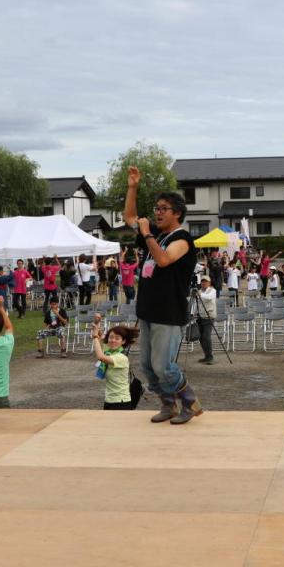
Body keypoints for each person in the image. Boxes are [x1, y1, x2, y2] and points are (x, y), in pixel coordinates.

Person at [123, 165, 204, 424]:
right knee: (148, 367)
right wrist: (133, 187)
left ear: (177, 213)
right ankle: (168, 405)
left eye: (163, 209)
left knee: (163, 366)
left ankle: (190, 403)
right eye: (156, 208)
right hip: (148, 309)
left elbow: (164, 260)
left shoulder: (182, 239)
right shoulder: (157, 235)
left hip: (168, 313)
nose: (157, 213)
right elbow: (129, 217)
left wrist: (146, 233)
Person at [93, 321, 141, 410]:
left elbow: (100, 356)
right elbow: (103, 341)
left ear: (123, 341)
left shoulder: (121, 358)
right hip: (109, 400)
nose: (113, 340)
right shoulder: (110, 352)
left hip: (121, 402)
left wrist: (95, 336)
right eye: (111, 337)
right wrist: (97, 327)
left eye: (117, 338)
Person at [194, 276, 217, 365]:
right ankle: (207, 356)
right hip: (200, 317)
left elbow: (208, 297)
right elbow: (197, 304)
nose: (204, 283)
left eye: (206, 281)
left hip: (209, 316)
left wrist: (198, 294)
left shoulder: (212, 291)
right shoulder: (199, 292)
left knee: (206, 336)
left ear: (209, 283)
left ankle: (210, 357)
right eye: (202, 281)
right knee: (200, 337)